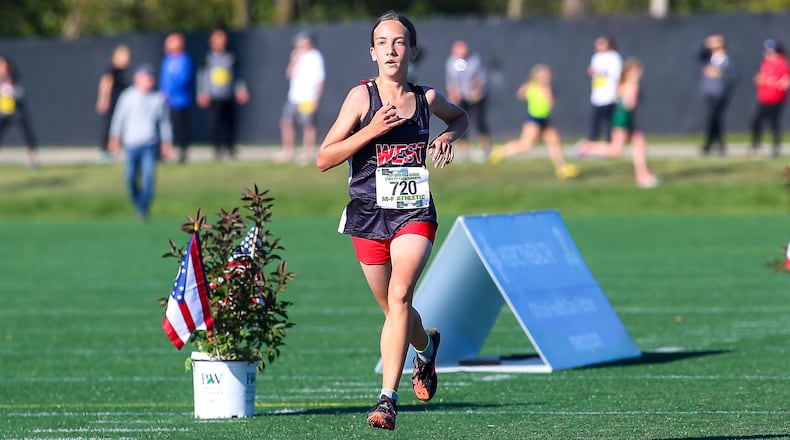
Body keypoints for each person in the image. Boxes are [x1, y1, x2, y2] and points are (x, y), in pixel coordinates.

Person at [316, 10, 468, 431]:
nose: (391, 49)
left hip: (414, 212)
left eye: (398, 42)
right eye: (382, 42)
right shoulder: (361, 97)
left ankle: (387, 401)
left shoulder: (426, 99)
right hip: (367, 215)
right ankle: (426, 347)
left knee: (401, 296)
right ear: (372, 52)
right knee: (393, 309)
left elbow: (460, 117)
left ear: (412, 51)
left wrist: (445, 136)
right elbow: (324, 159)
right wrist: (370, 131)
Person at [577, 58, 659, 188]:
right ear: (630, 72)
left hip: (624, 119)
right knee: (616, 150)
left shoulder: (623, 84)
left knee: (639, 142)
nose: (640, 72)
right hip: (622, 120)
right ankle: (588, 147)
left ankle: (642, 175)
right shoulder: (631, 84)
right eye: (637, 70)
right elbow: (629, 104)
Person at [488, 65, 580, 179]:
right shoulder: (533, 87)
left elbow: (550, 103)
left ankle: (561, 167)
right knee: (526, 145)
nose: (546, 77)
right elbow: (523, 95)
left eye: (547, 75)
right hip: (534, 120)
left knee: (554, 141)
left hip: (545, 119)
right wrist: (532, 91)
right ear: (536, 76)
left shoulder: (545, 88)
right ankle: (500, 152)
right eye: (543, 75)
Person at [108, 64, 173, 221]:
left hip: (149, 144)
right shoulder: (127, 96)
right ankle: (139, 204)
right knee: (130, 178)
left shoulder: (158, 98)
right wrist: (114, 137)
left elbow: (165, 122)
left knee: (148, 179)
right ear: (137, 79)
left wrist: (167, 142)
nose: (148, 82)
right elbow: (119, 118)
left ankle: (143, 210)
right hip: (131, 144)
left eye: (150, 79)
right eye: (145, 78)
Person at [197, 27, 249, 160]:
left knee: (231, 123)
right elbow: (202, 75)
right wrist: (202, 92)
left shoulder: (231, 55)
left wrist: (240, 89)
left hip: (228, 94)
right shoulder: (207, 56)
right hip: (214, 95)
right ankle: (217, 148)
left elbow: (237, 75)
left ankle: (230, 147)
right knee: (216, 123)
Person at [280, 30, 325, 163]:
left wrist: (316, 98)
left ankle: (307, 153)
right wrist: (293, 58)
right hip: (294, 96)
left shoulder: (315, 56)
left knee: (308, 125)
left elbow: (320, 80)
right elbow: (288, 74)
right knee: (286, 122)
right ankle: (288, 152)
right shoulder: (296, 56)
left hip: (308, 97)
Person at [445, 39, 490, 161]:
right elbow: (451, 82)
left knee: (480, 121)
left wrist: (474, 89)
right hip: (462, 97)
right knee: (461, 121)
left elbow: (482, 78)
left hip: (478, 95)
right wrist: (454, 94)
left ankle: (484, 149)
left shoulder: (475, 60)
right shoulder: (451, 63)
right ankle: (463, 150)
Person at [749, 39, 790, 158]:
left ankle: (775, 147)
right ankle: (755, 146)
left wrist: (768, 81)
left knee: (773, 123)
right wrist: (760, 80)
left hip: (776, 98)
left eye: (771, 51)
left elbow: (784, 84)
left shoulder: (782, 64)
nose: (768, 54)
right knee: (756, 122)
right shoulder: (766, 63)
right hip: (763, 97)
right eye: (766, 51)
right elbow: (762, 79)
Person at [698, 33, 737, 156]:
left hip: (722, 93)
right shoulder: (708, 57)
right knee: (714, 118)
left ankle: (713, 145)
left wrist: (720, 74)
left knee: (716, 117)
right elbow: (697, 53)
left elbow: (733, 76)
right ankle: (714, 145)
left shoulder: (728, 59)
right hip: (710, 92)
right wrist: (706, 43)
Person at [160, 32, 194, 163]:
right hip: (167, 100)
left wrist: (172, 91)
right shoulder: (167, 59)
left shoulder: (185, 59)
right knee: (166, 126)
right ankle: (165, 150)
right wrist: (164, 92)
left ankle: (182, 150)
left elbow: (183, 78)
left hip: (181, 100)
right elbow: (164, 78)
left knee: (181, 127)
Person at [0, 56, 39, 169]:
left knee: (28, 136)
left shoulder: (14, 78)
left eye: (2, 65)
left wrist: (11, 91)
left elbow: (20, 92)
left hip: (17, 111)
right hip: (3, 112)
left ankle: (34, 162)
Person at [96, 44, 131, 163]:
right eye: (124, 55)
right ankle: (105, 151)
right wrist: (103, 100)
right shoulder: (112, 70)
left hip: (120, 105)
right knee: (109, 127)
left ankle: (114, 150)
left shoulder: (122, 71)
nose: (127, 58)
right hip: (112, 104)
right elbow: (105, 83)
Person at [587, 35, 622, 142]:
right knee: (596, 121)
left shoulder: (614, 57)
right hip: (598, 94)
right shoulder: (596, 57)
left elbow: (616, 74)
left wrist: (601, 72)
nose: (599, 46)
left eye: (602, 43)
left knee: (610, 121)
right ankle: (592, 142)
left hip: (610, 94)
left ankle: (610, 143)